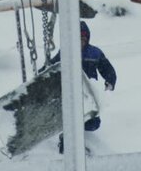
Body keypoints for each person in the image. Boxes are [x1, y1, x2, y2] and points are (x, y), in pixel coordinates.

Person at [47, 20, 117, 153]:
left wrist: (110, 83)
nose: (80, 42)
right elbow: (51, 68)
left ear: (87, 39)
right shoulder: (65, 52)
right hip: (68, 94)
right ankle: (67, 143)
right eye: (77, 38)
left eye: (83, 38)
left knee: (92, 124)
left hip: (88, 95)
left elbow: (108, 70)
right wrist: (44, 69)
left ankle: (79, 138)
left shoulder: (94, 53)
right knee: (68, 119)